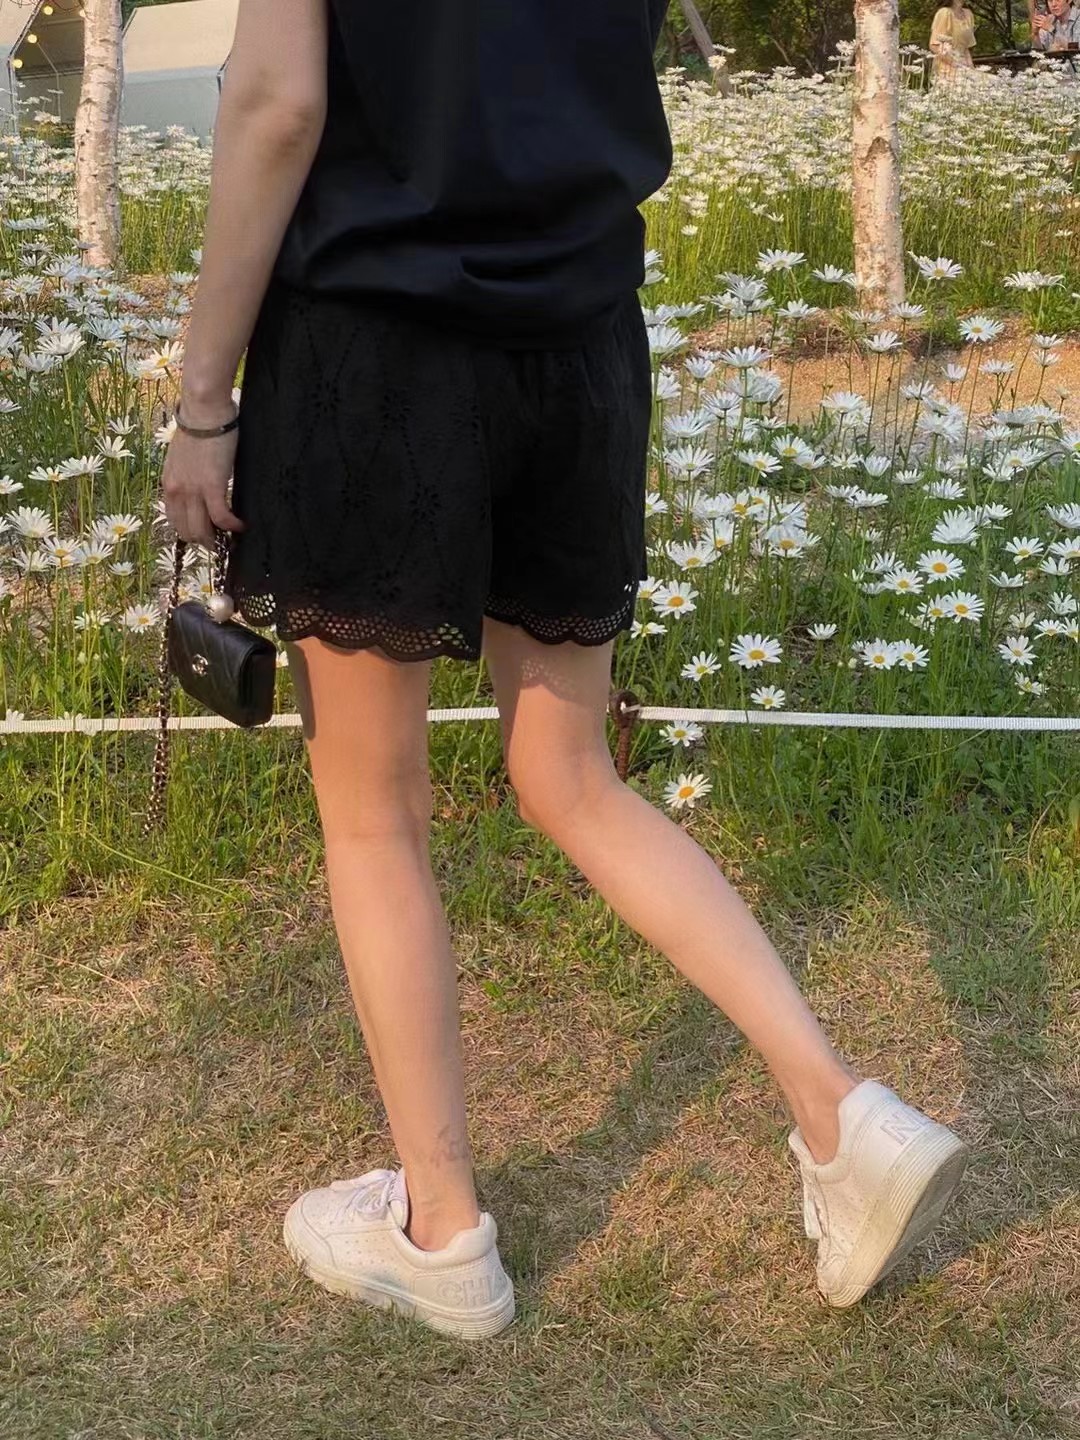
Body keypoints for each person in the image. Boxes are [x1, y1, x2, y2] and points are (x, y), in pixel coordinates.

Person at [160, 0, 970, 1342]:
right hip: (580, 341)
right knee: (571, 775)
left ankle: (443, 1231)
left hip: (378, 345)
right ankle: (844, 1115)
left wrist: (203, 403)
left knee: (373, 810)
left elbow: (277, 102)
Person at [929, 0, 977, 80]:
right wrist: (957, 64)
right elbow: (934, 46)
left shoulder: (968, 14)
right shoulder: (944, 13)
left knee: (992, 81)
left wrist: (971, 68)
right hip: (945, 70)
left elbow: (966, 48)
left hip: (964, 68)